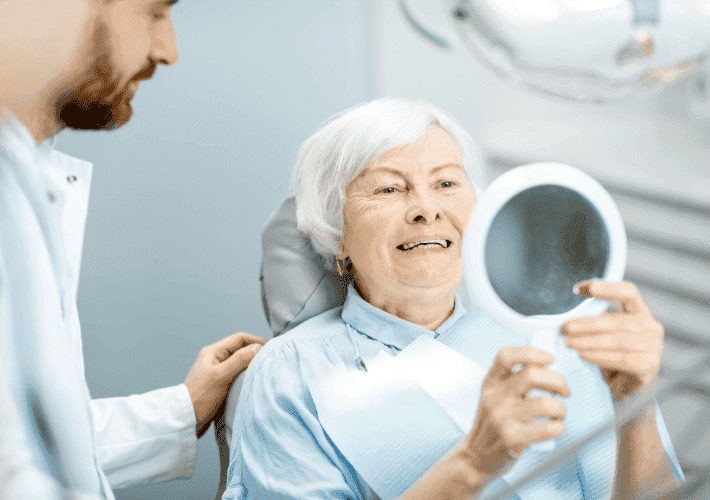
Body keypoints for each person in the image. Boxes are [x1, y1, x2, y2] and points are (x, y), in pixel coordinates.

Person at [223, 98, 684, 500]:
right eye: (389, 188)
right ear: (336, 234)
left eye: (446, 183)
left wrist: (635, 404)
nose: (428, 208)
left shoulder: (567, 338)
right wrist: (472, 464)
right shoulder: (292, 372)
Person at [0, 1, 265, 498]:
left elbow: (16, 441)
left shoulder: (21, 176)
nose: (168, 51)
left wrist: (184, 409)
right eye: (153, 13)